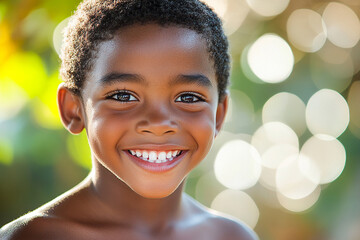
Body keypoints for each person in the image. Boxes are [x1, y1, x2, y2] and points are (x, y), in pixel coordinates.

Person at [0, 0, 258, 239]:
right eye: (123, 96)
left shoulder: (232, 236)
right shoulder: (34, 236)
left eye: (188, 98)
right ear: (73, 110)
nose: (158, 122)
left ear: (219, 114)